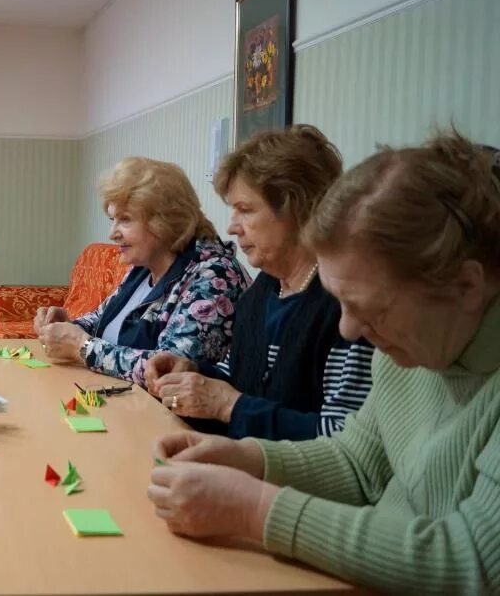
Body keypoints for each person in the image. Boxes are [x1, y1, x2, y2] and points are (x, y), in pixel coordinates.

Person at [147, 132, 500, 594]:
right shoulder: (410, 350)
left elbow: (473, 560)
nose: (350, 330)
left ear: (466, 286)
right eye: (340, 302)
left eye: (369, 306)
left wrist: (256, 510)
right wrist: (247, 458)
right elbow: (358, 463)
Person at [144, 125, 373, 439]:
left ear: (297, 208)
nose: (232, 227)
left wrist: (229, 407)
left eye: (245, 210)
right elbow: (237, 377)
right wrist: (191, 371)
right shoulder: (261, 291)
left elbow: (345, 438)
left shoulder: (345, 306)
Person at [34, 157, 249, 384]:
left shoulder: (215, 277)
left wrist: (82, 347)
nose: (112, 233)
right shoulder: (142, 268)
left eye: (125, 220)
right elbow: (98, 321)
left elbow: (169, 370)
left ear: (166, 220)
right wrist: (66, 326)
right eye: (112, 219)